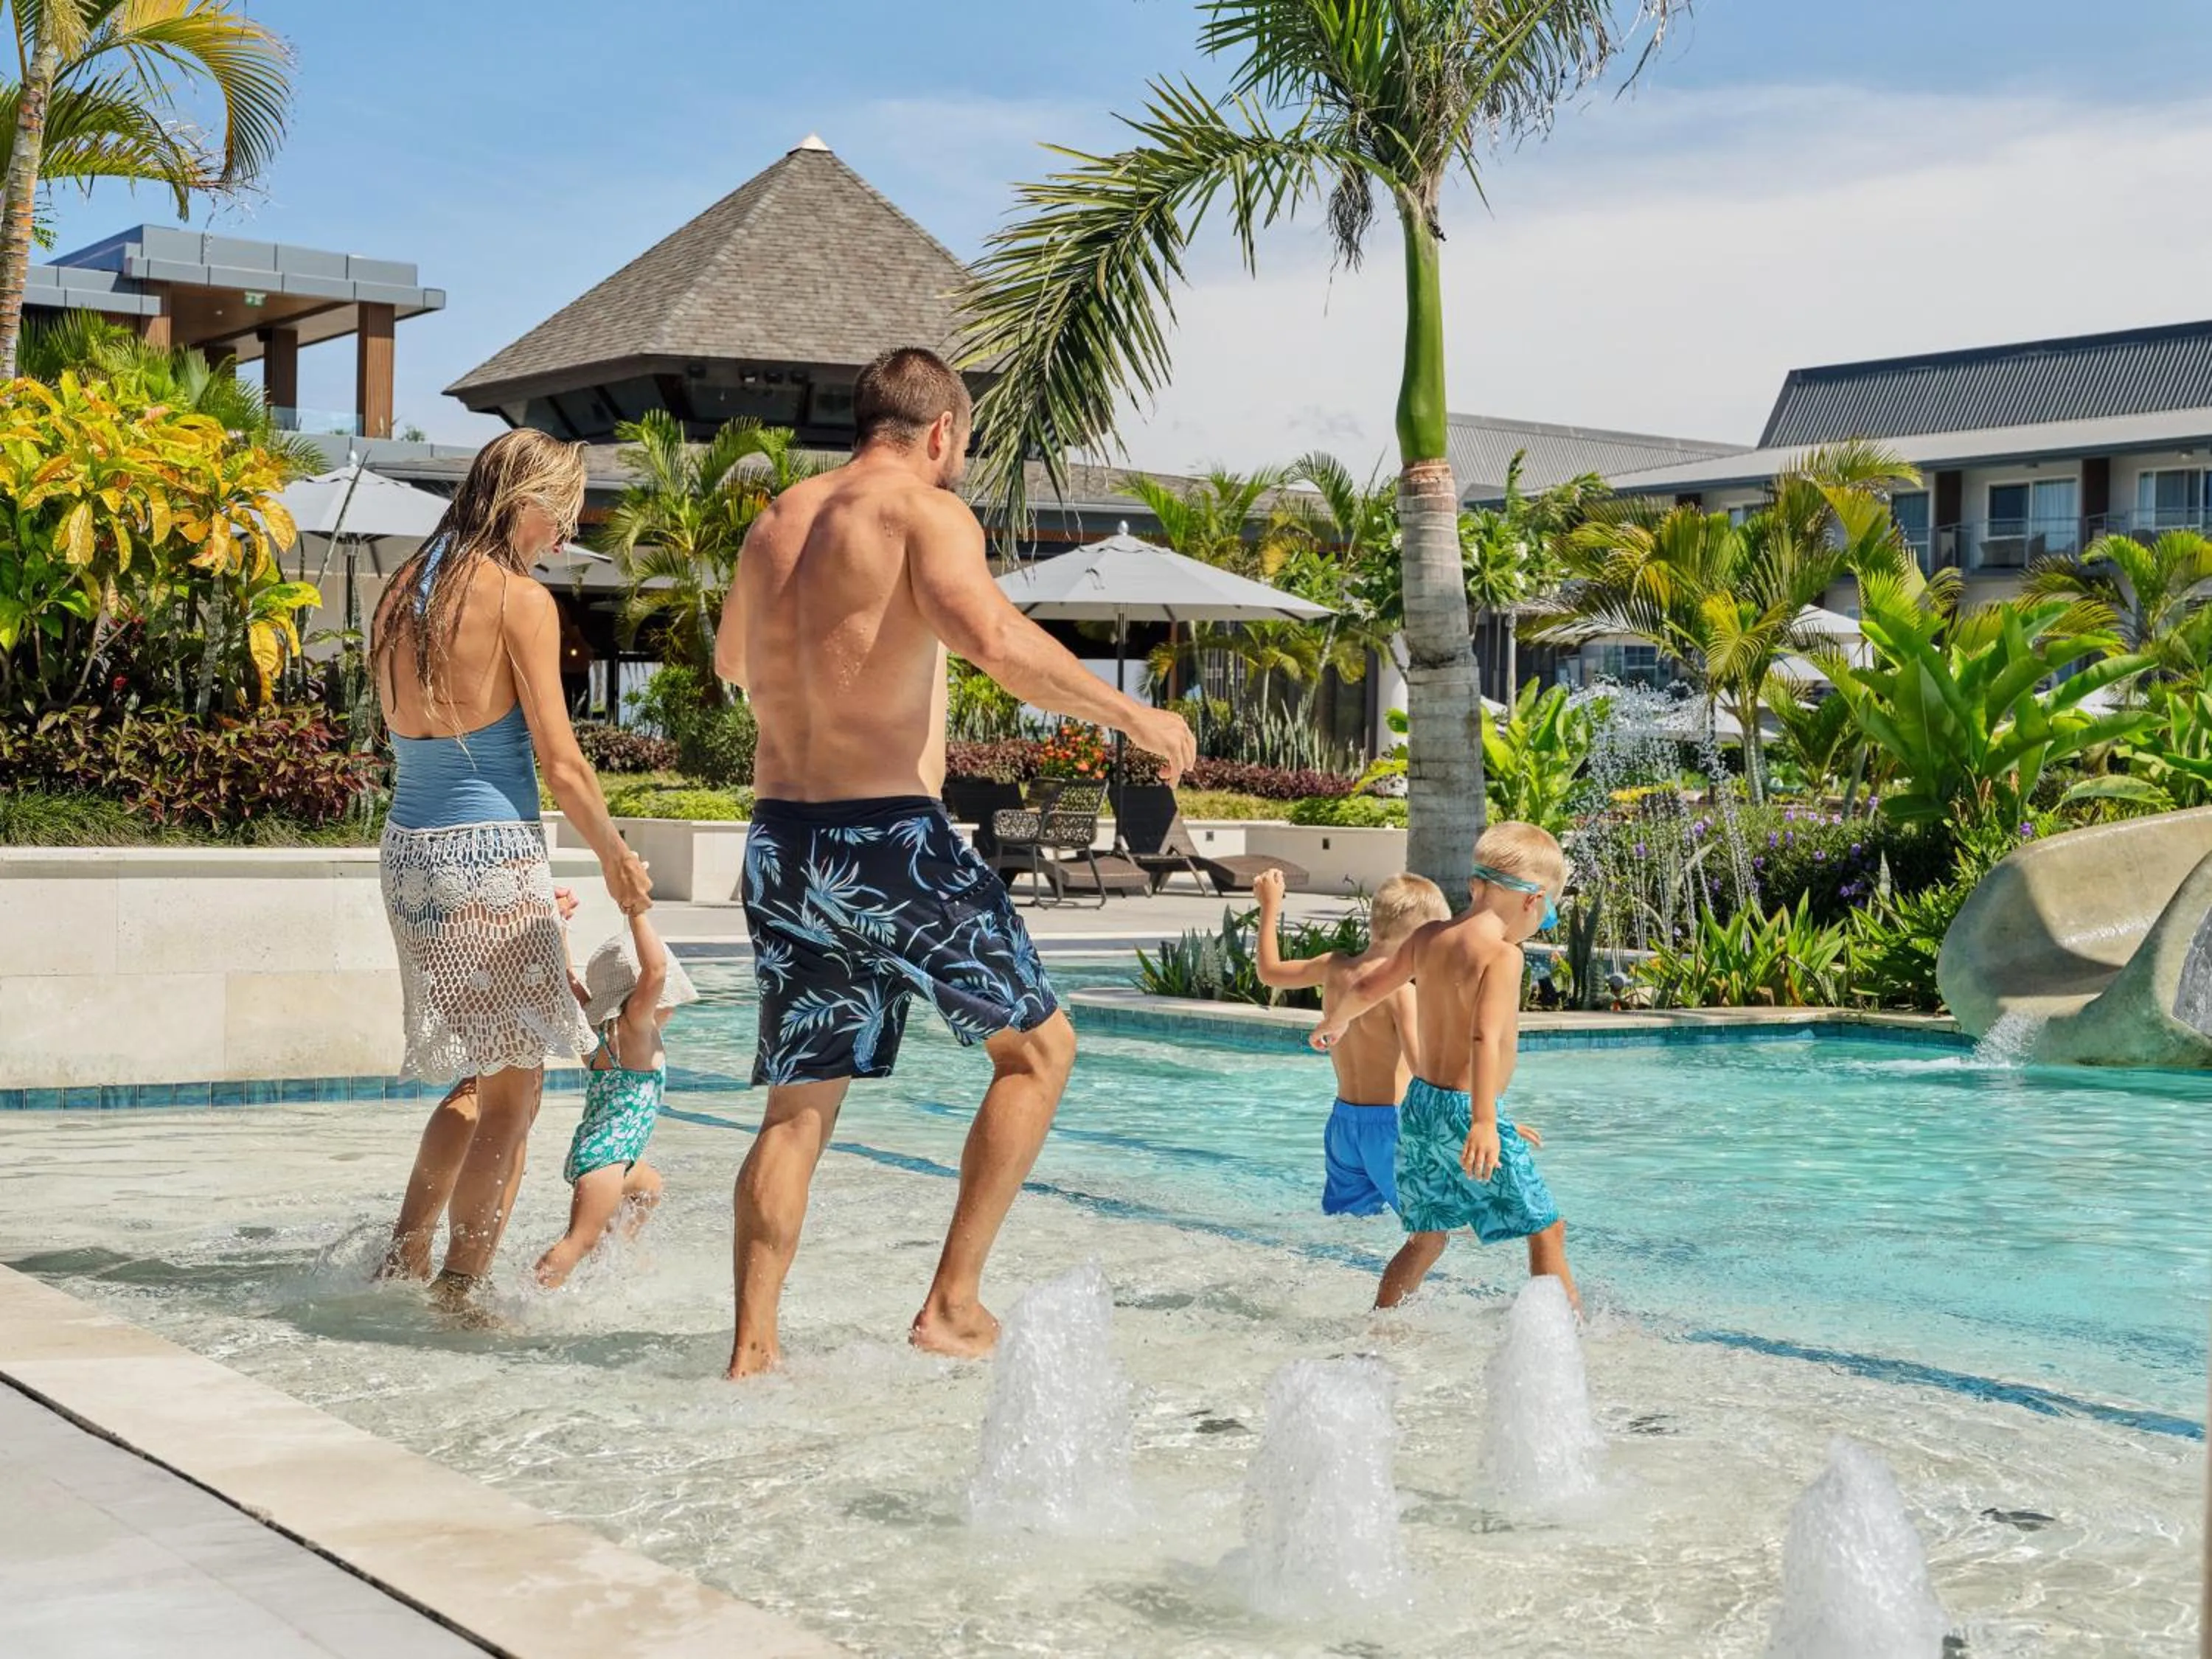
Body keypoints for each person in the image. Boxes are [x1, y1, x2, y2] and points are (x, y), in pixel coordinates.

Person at [714, 345, 1197, 1377]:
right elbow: (995, 637)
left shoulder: (775, 523)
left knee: (799, 1103)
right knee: (1041, 1050)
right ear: (940, 434)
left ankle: (754, 1350)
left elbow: (730, 663)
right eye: (960, 446)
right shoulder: (926, 513)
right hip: (885, 836)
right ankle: (952, 1302)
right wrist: (1130, 713)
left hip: (780, 841)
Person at [371, 428, 654, 1310]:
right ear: (521, 502)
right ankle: (462, 1291)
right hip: (486, 856)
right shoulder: (516, 600)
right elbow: (561, 764)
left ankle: (403, 1259)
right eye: (561, 512)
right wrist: (616, 858)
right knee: (514, 1096)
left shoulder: (397, 592)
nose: (564, 533)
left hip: (408, 856)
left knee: (475, 1076)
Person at [1310, 821, 1575, 1312]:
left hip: (1421, 1110)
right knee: (1546, 1228)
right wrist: (1484, 1120)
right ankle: (1564, 1336)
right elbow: (1483, 1037)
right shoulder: (1502, 954)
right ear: (1532, 900)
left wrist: (1336, 1023)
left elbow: (1369, 989)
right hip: (1466, 1110)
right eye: (1549, 911)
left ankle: (1383, 1323)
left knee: (1426, 1239)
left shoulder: (1428, 937)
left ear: (1477, 885)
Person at [1252, 868, 1448, 1228]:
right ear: (1421, 941)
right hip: (1390, 1128)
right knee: (1434, 1224)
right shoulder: (1402, 992)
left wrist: (1269, 906)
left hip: (1343, 1127)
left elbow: (1269, 972)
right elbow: (1425, 1072)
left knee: (1346, 1227)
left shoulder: (1333, 968)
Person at [535, 912, 699, 1288]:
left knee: (648, 1189)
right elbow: (654, 971)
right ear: (636, 998)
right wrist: (635, 909)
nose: (669, 1003)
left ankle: (610, 1268)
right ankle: (523, 1300)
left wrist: (561, 931)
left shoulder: (598, 1030)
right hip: (606, 1160)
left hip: (613, 1154)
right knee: (578, 1241)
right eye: (664, 996)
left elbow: (568, 981)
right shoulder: (634, 1028)